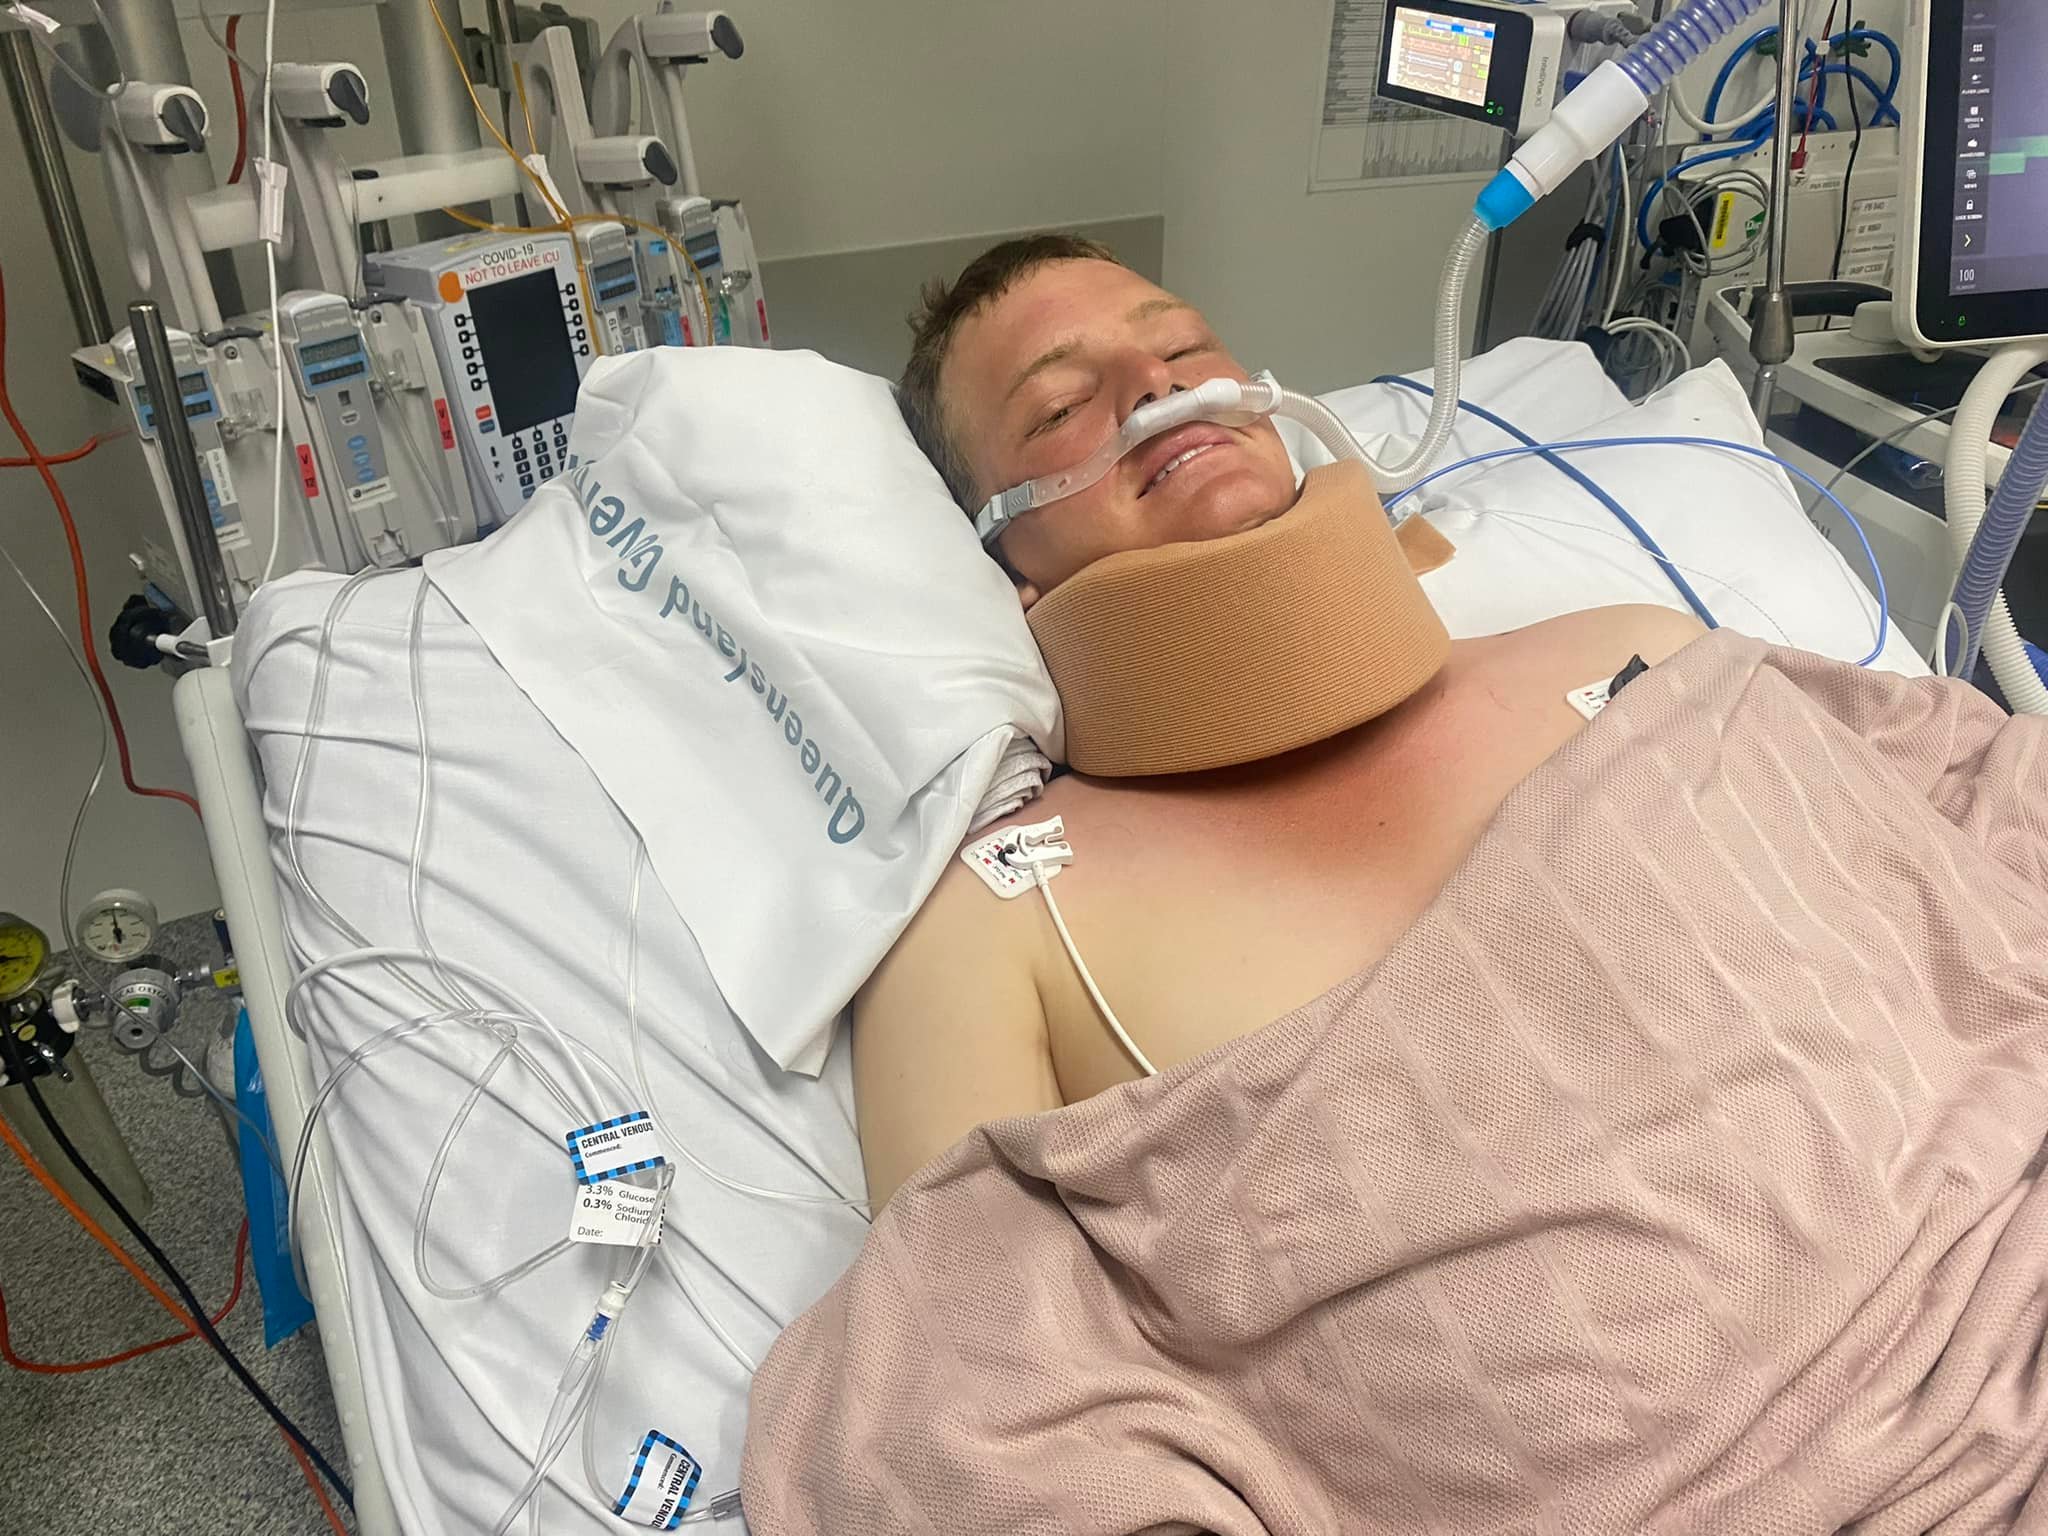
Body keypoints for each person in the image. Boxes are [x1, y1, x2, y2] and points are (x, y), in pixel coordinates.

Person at [854, 233, 1705, 1207]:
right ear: (1002, 559)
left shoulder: (1640, 656)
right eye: (1058, 407)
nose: (1151, 384)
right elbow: (962, 1334)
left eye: (1181, 347)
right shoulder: (993, 925)